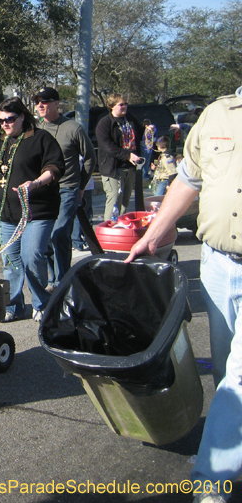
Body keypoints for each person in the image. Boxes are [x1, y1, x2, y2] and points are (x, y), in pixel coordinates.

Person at [125, 90, 242, 503]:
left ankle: (212, 482)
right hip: (218, 264)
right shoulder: (216, 115)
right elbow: (189, 180)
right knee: (226, 370)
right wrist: (156, 233)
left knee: (241, 377)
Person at [0, 97, 64, 322]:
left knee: (32, 256)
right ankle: (14, 305)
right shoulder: (0, 142)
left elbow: (55, 167)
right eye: (1, 121)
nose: (5, 124)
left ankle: (42, 303)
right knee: (11, 261)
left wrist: (36, 182)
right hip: (7, 214)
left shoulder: (40, 138)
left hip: (37, 211)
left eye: (10, 119)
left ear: (22, 117)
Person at [34, 87, 96, 291]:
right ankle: (53, 279)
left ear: (56, 104)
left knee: (59, 233)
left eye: (45, 101)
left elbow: (89, 158)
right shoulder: (35, 129)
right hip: (44, 191)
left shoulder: (72, 128)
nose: (40, 105)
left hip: (67, 188)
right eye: (37, 102)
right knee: (46, 235)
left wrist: (80, 186)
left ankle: (63, 281)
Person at [95, 93, 144, 221]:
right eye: (121, 104)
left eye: (126, 104)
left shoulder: (130, 119)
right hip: (112, 167)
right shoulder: (105, 123)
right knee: (114, 197)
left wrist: (148, 130)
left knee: (125, 199)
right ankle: (109, 228)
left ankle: (121, 227)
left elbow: (140, 133)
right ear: (112, 106)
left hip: (130, 166)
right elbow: (107, 145)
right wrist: (127, 155)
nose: (124, 107)